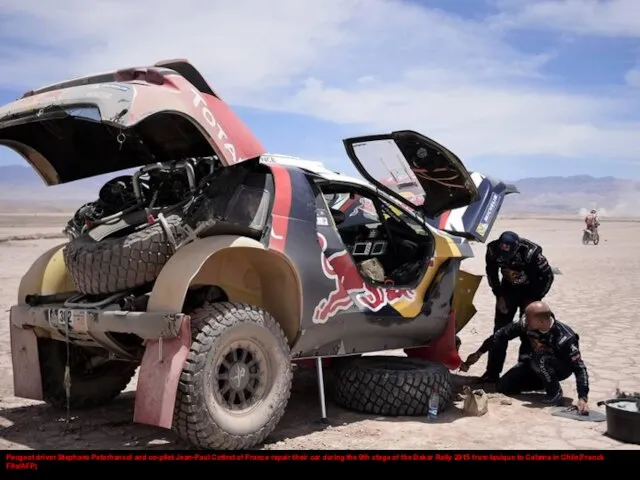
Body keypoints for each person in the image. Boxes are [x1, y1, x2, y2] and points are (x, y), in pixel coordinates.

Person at [461, 301, 590, 413]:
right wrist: (479, 353)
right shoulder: (526, 324)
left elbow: (579, 367)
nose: (525, 321)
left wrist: (582, 397)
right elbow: (500, 336)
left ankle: (554, 392)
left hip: (559, 368)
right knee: (504, 386)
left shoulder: (565, 337)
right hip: (534, 364)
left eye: (528, 319)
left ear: (541, 321)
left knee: (541, 357)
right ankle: (543, 383)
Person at [482, 231, 554, 382]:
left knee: (528, 332)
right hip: (508, 292)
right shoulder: (493, 250)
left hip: (530, 292)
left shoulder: (531, 252)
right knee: (500, 331)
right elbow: (491, 273)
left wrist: (536, 299)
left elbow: (548, 277)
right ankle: (492, 373)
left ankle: (522, 375)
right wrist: (499, 296)